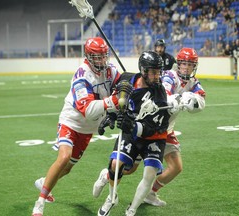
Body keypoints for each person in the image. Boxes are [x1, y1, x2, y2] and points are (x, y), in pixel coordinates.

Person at [93, 48, 206, 207]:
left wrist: (192, 98)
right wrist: (179, 99)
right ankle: (107, 175)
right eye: (184, 63)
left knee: (176, 167)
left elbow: (201, 100)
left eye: (190, 64)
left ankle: (151, 193)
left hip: (165, 128)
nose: (187, 68)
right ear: (178, 64)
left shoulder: (194, 82)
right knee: (130, 169)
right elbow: (163, 97)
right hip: (149, 125)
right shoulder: (169, 77)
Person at [31, 36, 121, 216]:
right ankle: (39, 203)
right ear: (88, 57)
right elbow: (87, 109)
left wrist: (127, 83)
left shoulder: (110, 70)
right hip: (71, 121)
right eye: (98, 57)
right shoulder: (82, 75)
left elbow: (122, 84)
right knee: (64, 157)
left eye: (104, 56)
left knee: (68, 168)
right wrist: (112, 101)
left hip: (88, 129)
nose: (102, 60)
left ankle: (44, 181)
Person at [97, 51, 172, 216]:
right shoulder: (127, 79)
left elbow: (154, 126)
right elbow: (117, 101)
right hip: (130, 132)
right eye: (153, 72)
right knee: (116, 165)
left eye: (159, 71)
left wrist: (133, 126)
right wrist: (110, 116)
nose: (157, 76)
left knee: (150, 173)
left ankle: (131, 210)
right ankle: (111, 198)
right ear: (143, 71)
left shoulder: (160, 93)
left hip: (153, 137)